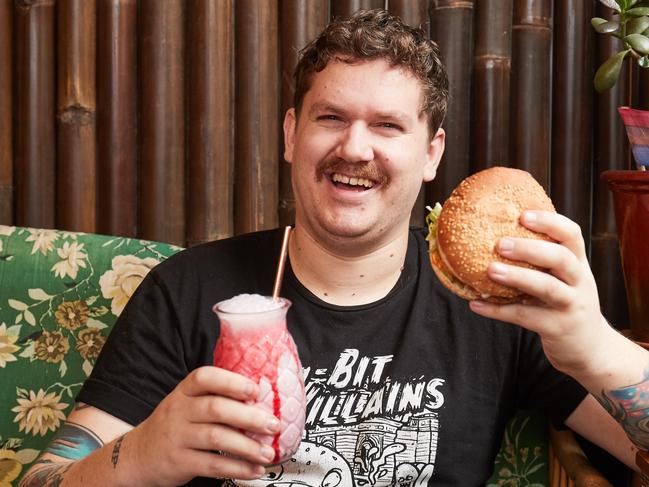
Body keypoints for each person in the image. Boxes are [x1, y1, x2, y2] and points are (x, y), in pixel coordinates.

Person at [19, 9, 649, 486]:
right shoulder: (188, 289)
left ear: (431, 154)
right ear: (292, 135)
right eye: (330, 118)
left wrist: (593, 346)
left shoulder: (500, 305)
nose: (354, 148)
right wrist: (145, 453)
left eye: (387, 126)